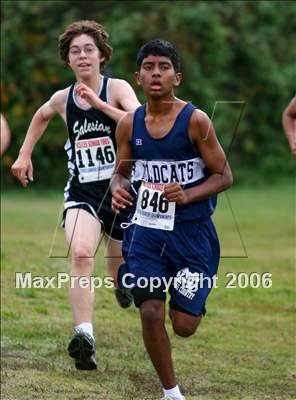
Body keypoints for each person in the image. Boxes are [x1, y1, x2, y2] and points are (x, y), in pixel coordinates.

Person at [11, 20, 140, 370]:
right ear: (67, 61)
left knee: (118, 270)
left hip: (122, 190)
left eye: (88, 50)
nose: (82, 56)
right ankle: (84, 336)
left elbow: (136, 121)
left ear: (101, 55)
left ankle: (122, 283)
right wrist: (24, 155)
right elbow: (40, 117)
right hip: (82, 192)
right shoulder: (62, 99)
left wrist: (98, 104)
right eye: (75, 52)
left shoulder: (117, 88)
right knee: (82, 255)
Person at [111, 39, 233, 400]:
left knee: (183, 326)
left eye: (163, 67)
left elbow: (224, 175)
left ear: (176, 76)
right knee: (150, 312)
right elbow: (121, 172)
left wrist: (188, 194)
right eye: (148, 67)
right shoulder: (128, 125)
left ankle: (187, 298)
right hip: (146, 231)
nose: (155, 74)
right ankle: (171, 393)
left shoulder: (196, 121)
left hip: (193, 234)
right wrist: (118, 186)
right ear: (137, 77)